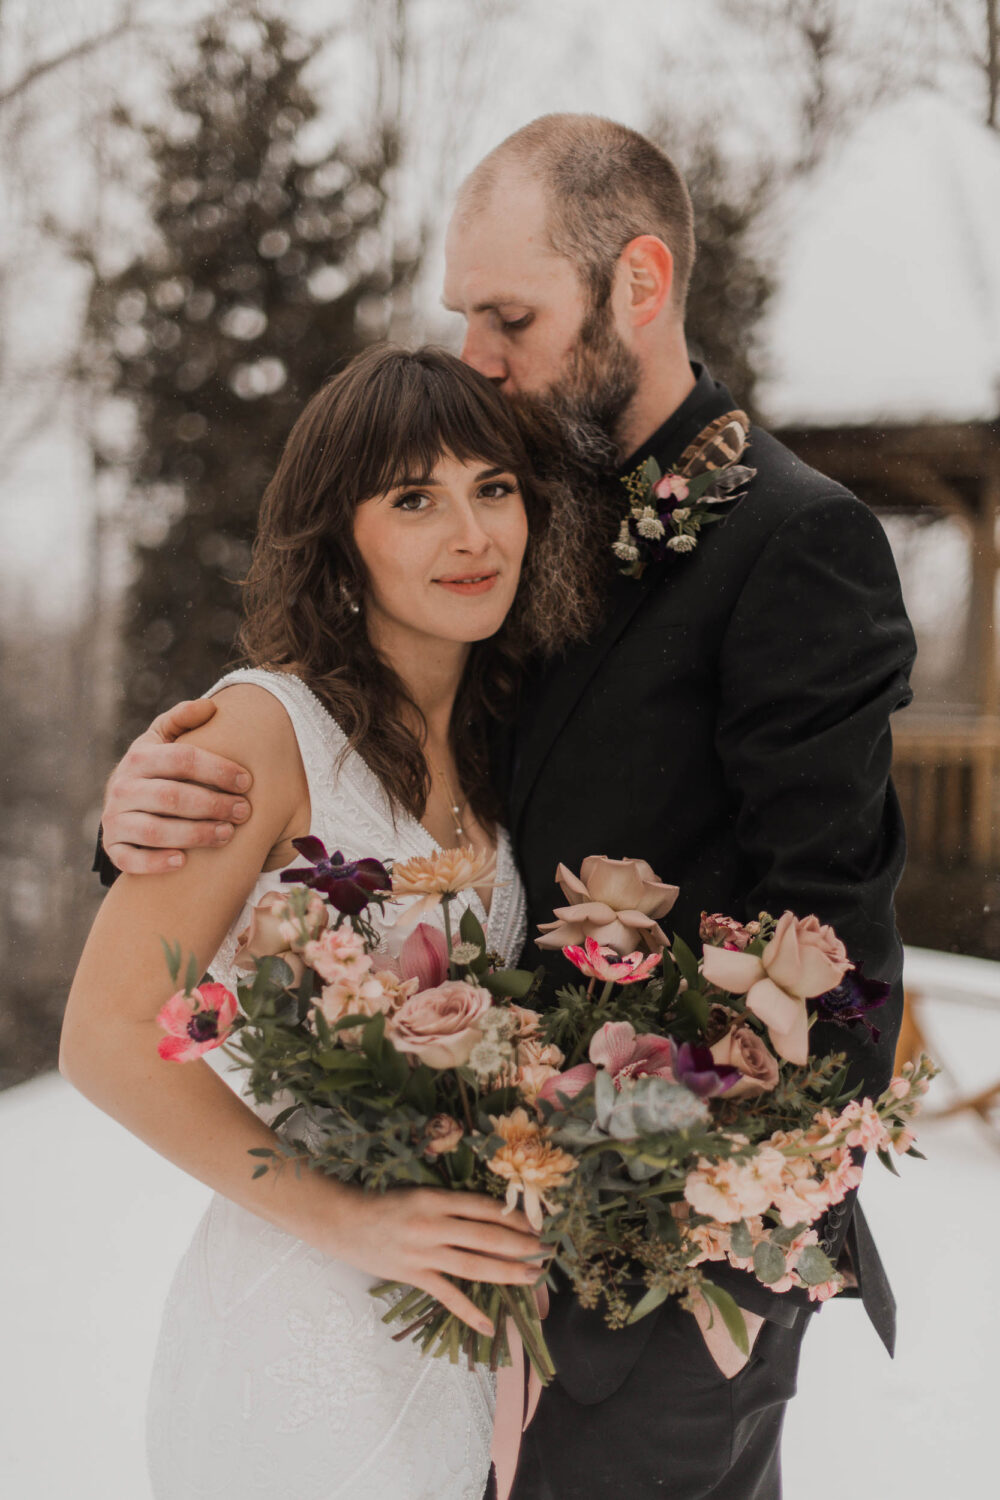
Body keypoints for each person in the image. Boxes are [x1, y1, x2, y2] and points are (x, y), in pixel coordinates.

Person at [94, 115, 917, 1499]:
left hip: (664, 1295)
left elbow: (832, 956)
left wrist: (676, 1238)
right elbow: (361, 781)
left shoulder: (794, 546)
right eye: (464, 315)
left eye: (509, 315)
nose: (478, 353)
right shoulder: (529, 514)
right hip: (450, 1293)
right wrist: (151, 812)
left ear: (638, 286)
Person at [63, 343, 592, 1500]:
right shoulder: (257, 730)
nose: (472, 534)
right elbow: (106, 1036)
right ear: (338, 535)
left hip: (453, 1343)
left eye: (492, 489)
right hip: (294, 1328)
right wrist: (347, 1220)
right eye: (415, 499)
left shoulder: (508, 739)